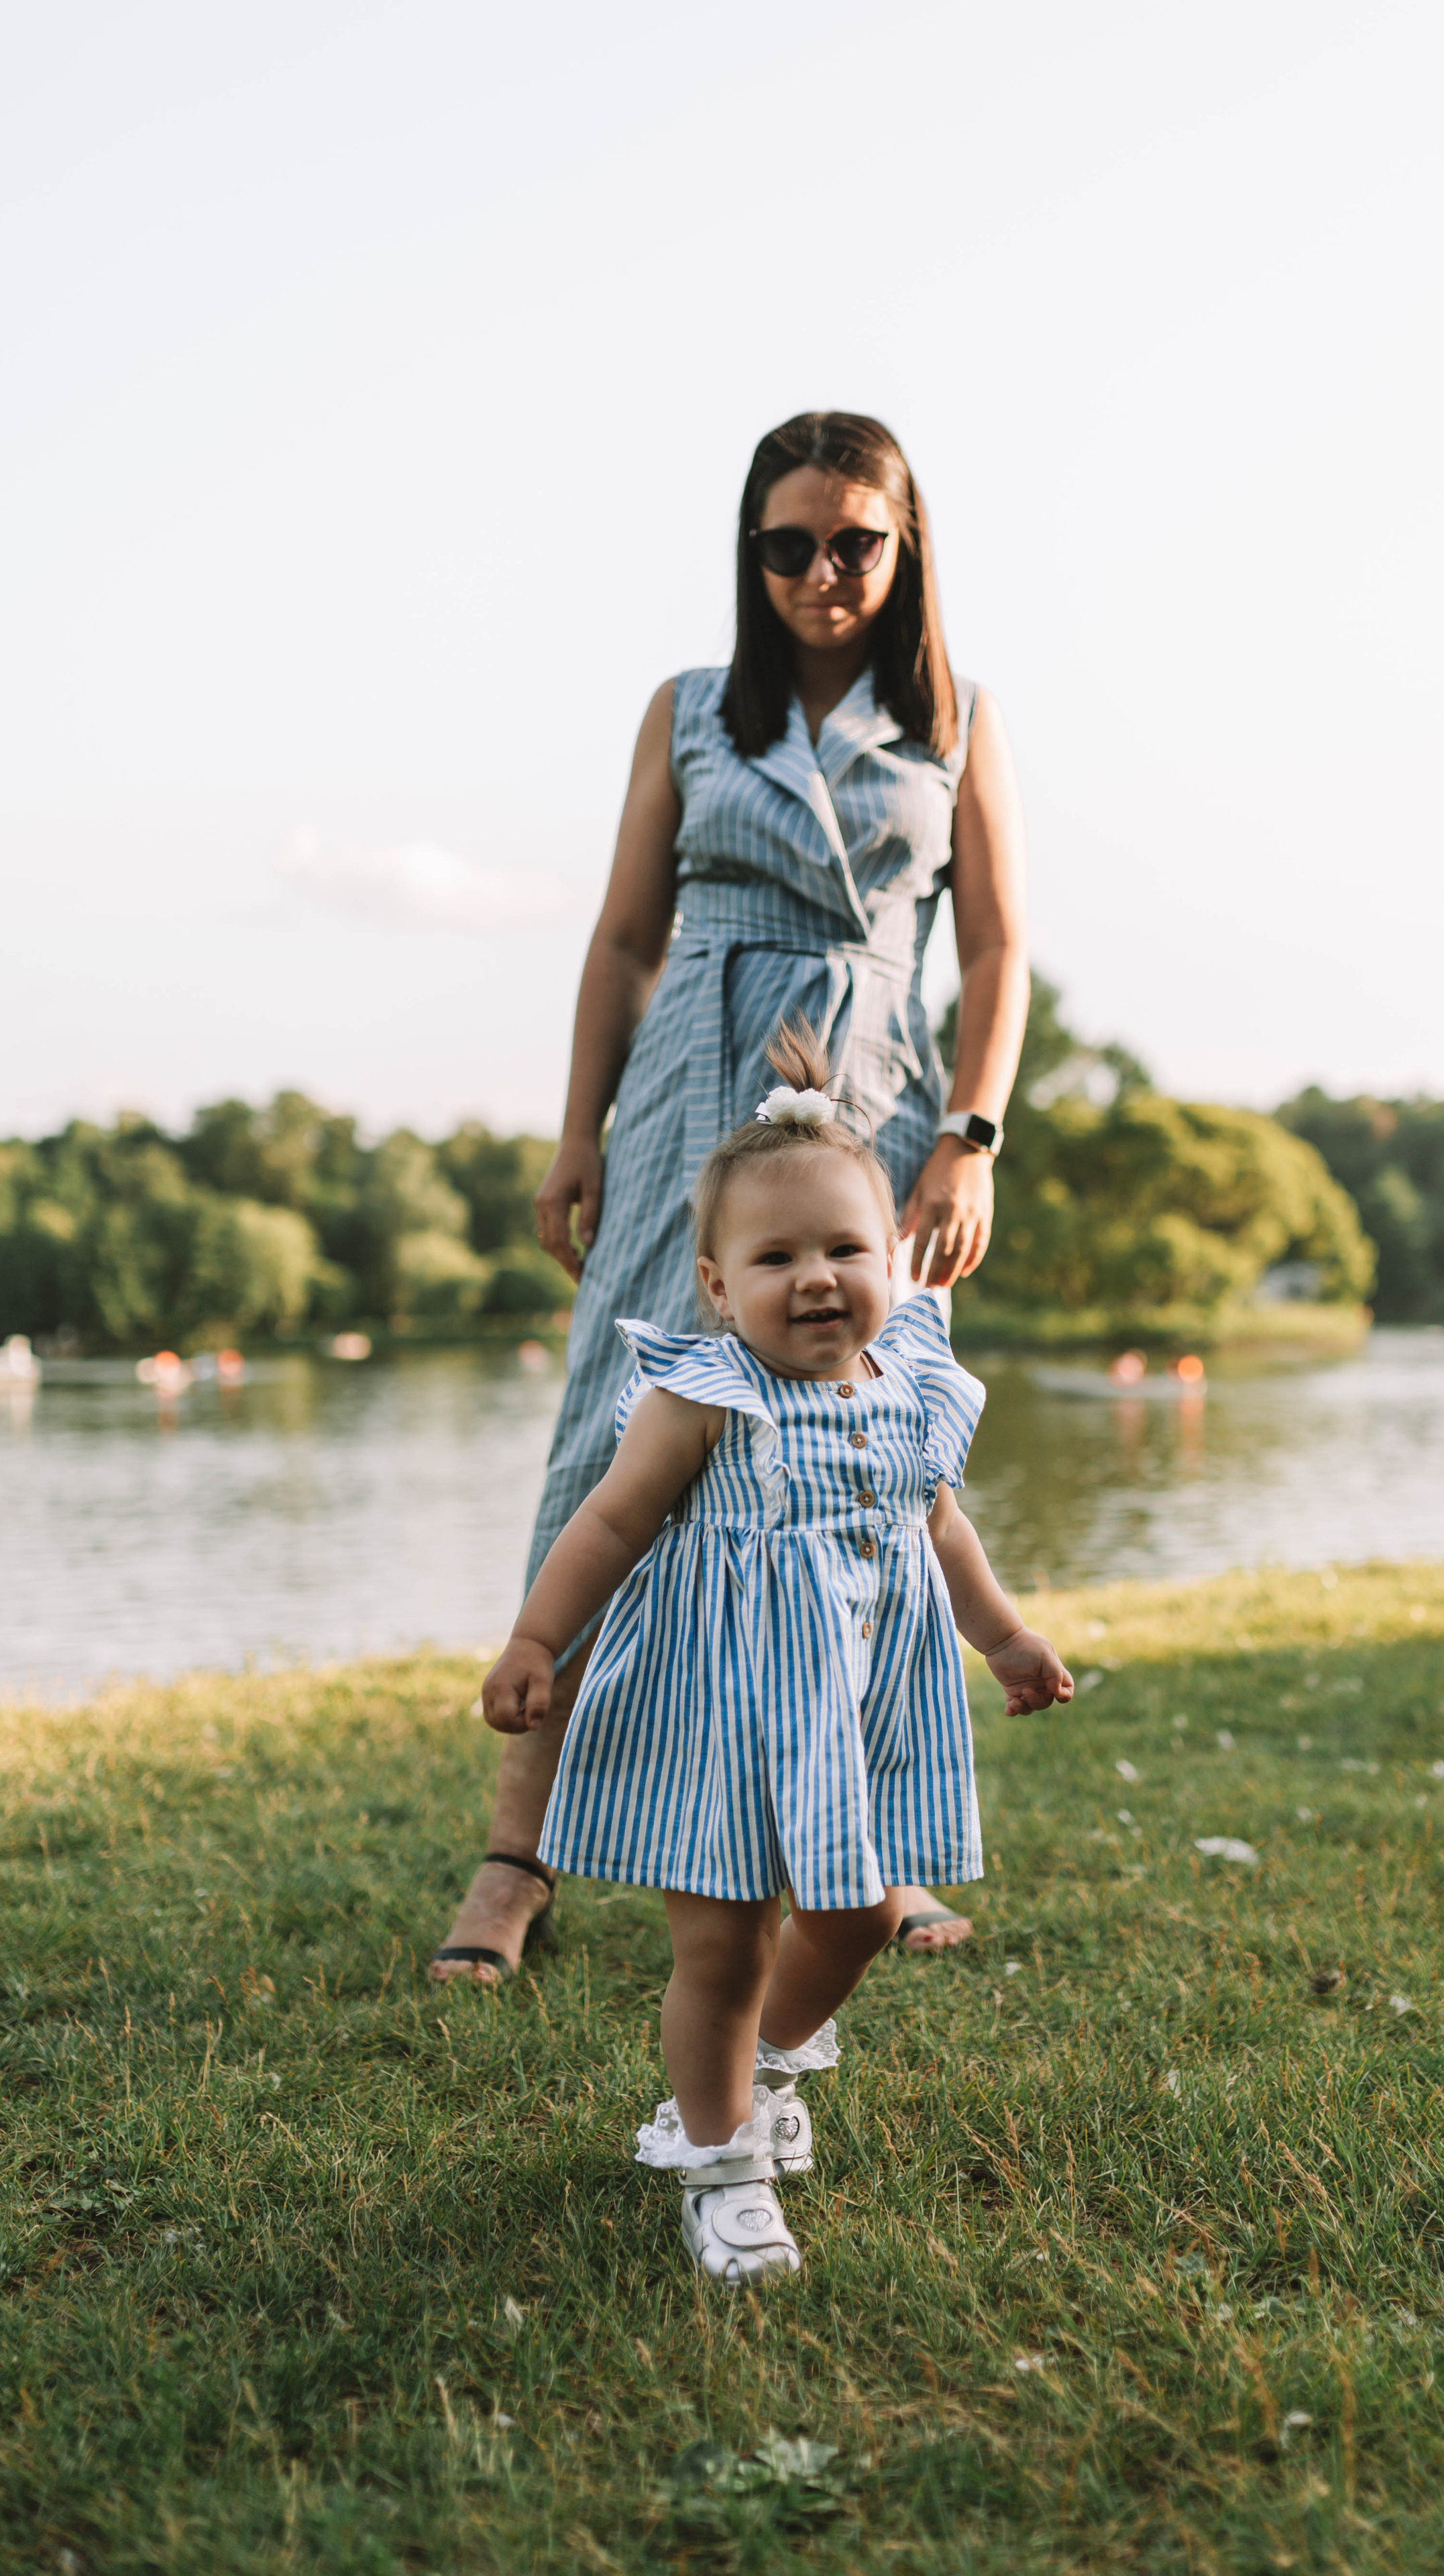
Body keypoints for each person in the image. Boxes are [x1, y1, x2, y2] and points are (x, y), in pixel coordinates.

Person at [429, 409, 1031, 1984]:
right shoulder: (690, 713)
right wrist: (579, 1132)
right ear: (747, 552)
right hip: (691, 1089)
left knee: (871, 1458)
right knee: (607, 1439)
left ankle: (871, 1849)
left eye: (854, 542)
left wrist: (972, 1132)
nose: (821, 572)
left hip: (882, 1116)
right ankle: (516, 1856)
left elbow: (1003, 952)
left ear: (905, 553)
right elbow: (623, 940)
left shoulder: (956, 717)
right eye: (786, 544)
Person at [484, 1027, 1072, 2282]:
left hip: (849, 1722)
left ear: (895, 1264)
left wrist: (1007, 1635)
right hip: (718, 1720)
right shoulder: (707, 1394)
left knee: (856, 1920)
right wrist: (540, 1638)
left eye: (847, 1250)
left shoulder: (909, 1381)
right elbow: (609, 1521)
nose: (817, 1279)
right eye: (777, 1257)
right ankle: (723, 2163)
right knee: (728, 1943)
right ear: (717, 1284)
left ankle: (755, 2072)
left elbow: (941, 1528)